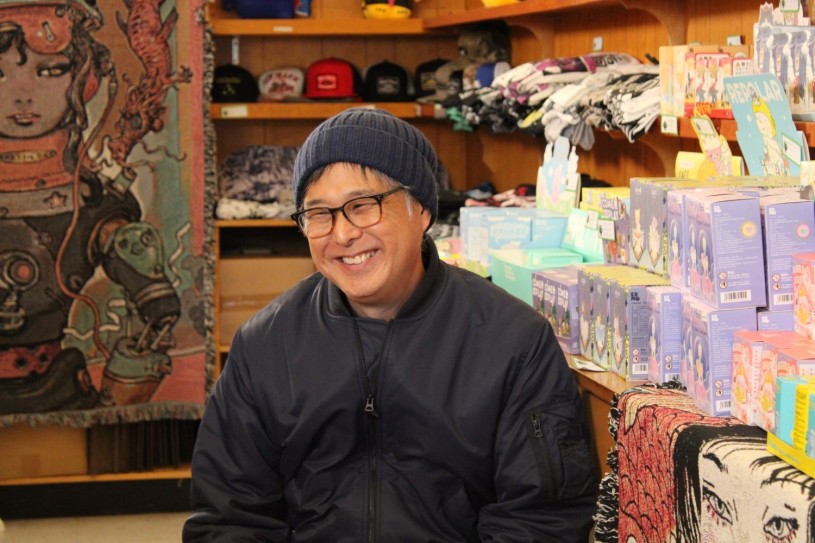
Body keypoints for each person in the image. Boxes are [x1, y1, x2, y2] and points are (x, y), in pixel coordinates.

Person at [184, 107, 598, 541]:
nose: (341, 234)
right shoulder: (265, 346)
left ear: (421, 211)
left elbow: (540, 519)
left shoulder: (513, 342)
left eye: (363, 207)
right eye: (319, 214)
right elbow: (229, 519)